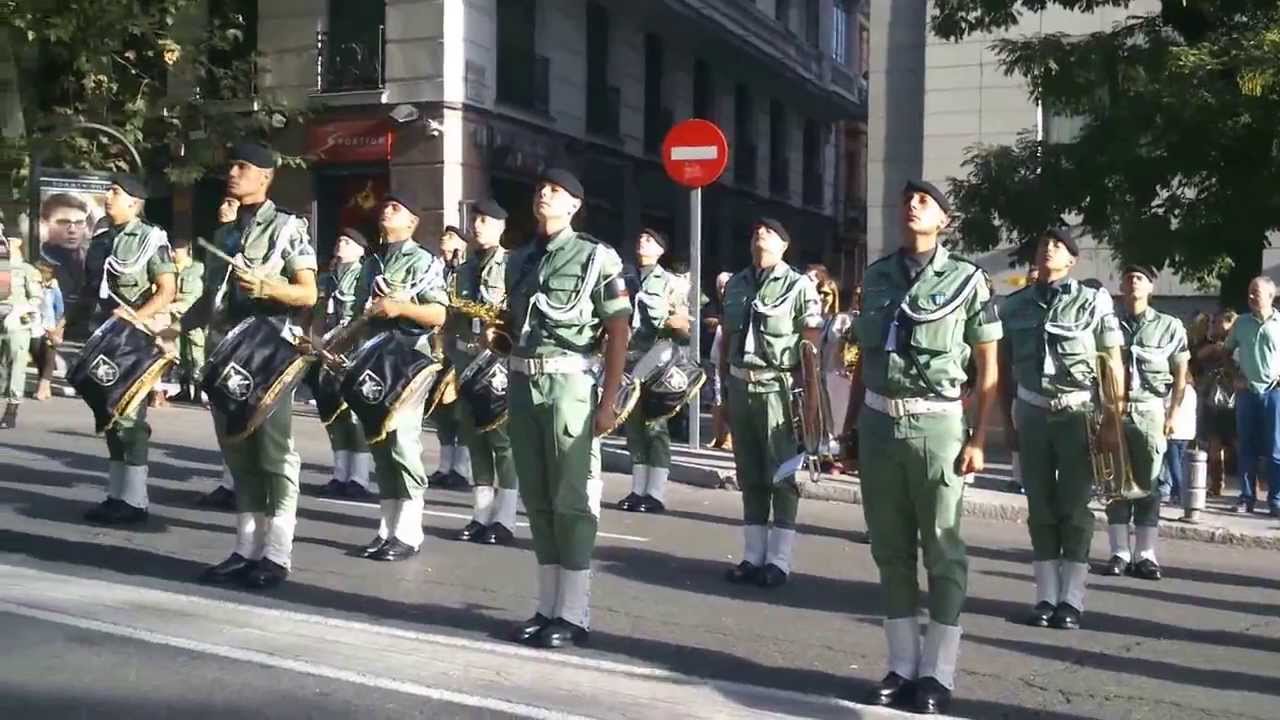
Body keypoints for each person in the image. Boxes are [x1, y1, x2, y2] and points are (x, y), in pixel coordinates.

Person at [849, 181, 1001, 715]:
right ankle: (900, 666)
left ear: (945, 221)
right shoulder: (877, 275)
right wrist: (849, 432)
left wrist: (981, 437)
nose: (911, 205)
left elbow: (987, 366)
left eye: (924, 202)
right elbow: (863, 362)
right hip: (878, 424)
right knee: (889, 550)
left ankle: (937, 673)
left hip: (937, 426)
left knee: (942, 548)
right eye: (907, 199)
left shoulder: (967, 280)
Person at [505, 168, 630, 649]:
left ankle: (574, 613)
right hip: (521, 380)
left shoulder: (596, 257)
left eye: (555, 191)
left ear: (575, 205)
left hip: (569, 384)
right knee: (536, 498)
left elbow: (618, 330)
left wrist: (609, 399)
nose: (544, 194)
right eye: (540, 188)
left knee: (571, 499)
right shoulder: (518, 259)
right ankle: (546, 607)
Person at [196, 143, 318, 590]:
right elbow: (211, 294)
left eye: (243, 166)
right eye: (231, 165)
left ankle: (278, 552)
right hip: (226, 350)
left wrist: (271, 286)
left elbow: (307, 293)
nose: (233, 172)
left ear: (265, 176)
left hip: (268, 350)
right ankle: (245, 548)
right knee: (237, 450)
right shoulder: (225, 231)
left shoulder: (288, 227)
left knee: (273, 454)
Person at [1001, 226, 1124, 631]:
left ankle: (1071, 598)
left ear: (1072, 260)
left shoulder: (1093, 302)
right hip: (1033, 413)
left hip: (1077, 414)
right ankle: (1044, 596)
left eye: (1058, 245)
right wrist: (1008, 420)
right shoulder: (1015, 305)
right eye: (1043, 243)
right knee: (1039, 507)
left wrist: (1112, 419)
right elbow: (1002, 372)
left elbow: (1112, 363)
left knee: (1074, 508)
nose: (1048, 249)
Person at [718, 218, 823, 589]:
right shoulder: (736, 284)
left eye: (770, 232)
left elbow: (810, 348)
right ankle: (752, 556)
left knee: (781, 476)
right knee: (749, 475)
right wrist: (722, 397)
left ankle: (779, 560)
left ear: (784, 245)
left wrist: (810, 404)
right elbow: (725, 343)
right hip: (740, 385)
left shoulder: (799, 287)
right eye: (756, 231)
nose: (760, 235)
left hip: (778, 388)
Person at [348, 195, 449, 561]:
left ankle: (409, 531)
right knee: (379, 442)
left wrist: (400, 307)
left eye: (396, 208)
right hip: (374, 357)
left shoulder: (423, 261)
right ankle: (386, 529)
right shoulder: (371, 261)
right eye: (385, 205)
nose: (386, 209)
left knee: (403, 443)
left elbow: (438, 313)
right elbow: (358, 313)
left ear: (412, 223)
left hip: (407, 358)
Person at [73, 175, 176, 523]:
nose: (107, 196)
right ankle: (116, 495)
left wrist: (135, 318)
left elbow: (166, 289)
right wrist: (64, 322)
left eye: (115, 192)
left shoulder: (151, 237)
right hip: (105, 339)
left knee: (131, 419)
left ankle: (135, 501)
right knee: (110, 417)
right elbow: (91, 291)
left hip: (133, 341)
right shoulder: (102, 240)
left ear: (134, 202)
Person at [1101, 265, 1189, 582]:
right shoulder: (1107, 323)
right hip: (1112, 408)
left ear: (1151, 287)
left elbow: (1180, 375)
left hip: (1149, 408)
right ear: (1121, 287)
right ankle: (1119, 551)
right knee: (1115, 482)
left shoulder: (1169, 326)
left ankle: (1146, 554)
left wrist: (1173, 413)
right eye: (1127, 278)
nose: (1133, 282)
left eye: (1140, 278)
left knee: (1149, 483)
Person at [447, 199, 520, 545]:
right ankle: (480, 514)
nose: (478, 225)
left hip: (497, 364)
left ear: (502, 227)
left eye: (487, 220)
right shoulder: (462, 269)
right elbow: (451, 320)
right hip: (465, 363)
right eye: (475, 219)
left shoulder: (512, 265)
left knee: (502, 442)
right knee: (474, 437)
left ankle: (504, 518)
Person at [615, 229, 691, 514]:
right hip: (629, 356)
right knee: (633, 426)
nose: (642, 242)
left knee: (655, 425)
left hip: (657, 358)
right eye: (640, 238)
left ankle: (655, 492)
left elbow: (684, 328)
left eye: (650, 240)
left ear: (661, 250)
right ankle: (637, 489)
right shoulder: (625, 277)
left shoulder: (671, 283)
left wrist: (676, 324)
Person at [313, 228, 374, 501]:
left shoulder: (365, 275)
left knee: (354, 416)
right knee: (332, 415)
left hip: (354, 353)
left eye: (348, 242)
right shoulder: (327, 278)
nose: (341, 243)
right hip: (327, 354)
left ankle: (359, 478)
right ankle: (340, 474)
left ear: (361, 250)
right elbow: (316, 314)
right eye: (339, 239)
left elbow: (365, 318)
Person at [1223, 277, 1280, 516]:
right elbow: (1226, 352)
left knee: (1275, 448)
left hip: (1274, 392)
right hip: (1247, 393)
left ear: (1270, 295)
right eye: (1249, 293)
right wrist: (1234, 376)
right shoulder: (1241, 323)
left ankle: (1276, 499)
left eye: (1256, 293)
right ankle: (1246, 497)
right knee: (1246, 446)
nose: (1251, 297)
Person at [430, 225, 472, 489]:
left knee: (462, 410)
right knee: (440, 410)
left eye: (451, 238)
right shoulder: (435, 270)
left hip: (461, 350)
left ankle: (462, 467)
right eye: (443, 237)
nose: (445, 242)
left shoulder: (466, 272)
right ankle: (445, 465)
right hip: (438, 348)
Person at [1193, 310, 1238, 496]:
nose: (1214, 326)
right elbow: (1199, 356)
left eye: (1218, 322)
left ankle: (1250, 484)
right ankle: (1216, 484)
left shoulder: (1237, 344)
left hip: (1234, 398)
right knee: (1214, 443)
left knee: (1238, 442)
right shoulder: (1210, 344)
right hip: (1213, 398)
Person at [0, 236, 43, 428]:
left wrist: (21, 316)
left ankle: (12, 408)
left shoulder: (26, 271)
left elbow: (36, 299)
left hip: (16, 322)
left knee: (17, 362)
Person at [168, 238, 207, 404]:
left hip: (191, 316)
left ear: (187, 251)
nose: (173, 253)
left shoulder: (198, 269)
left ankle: (198, 392)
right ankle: (184, 390)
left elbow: (195, 296)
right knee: (181, 355)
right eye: (172, 249)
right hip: (175, 318)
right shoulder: (169, 269)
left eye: (177, 250)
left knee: (196, 355)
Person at [38, 193, 93, 305]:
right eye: (63, 222)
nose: (72, 230)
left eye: (79, 223)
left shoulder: (94, 260)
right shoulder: (38, 263)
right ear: (45, 223)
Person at [706, 271, 734, 450]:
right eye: (720, 286)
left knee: (729, 400)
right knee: (716, 401)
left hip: (732, 360)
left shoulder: (736, 304)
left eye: (726, 285)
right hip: (715, 358)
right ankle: (718, 437)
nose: (722, 289)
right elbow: (706, 321)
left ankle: (729, 437)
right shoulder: (712, 305)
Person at [32, 259, 66, 401]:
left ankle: (42, 387)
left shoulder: (53, 288)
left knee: (48, 357)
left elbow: (60, 309)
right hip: (34, 326)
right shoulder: (33, 286)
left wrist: (57, 328)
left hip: (49, 326)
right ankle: (46, 388)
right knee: (37, 355)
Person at [1163, 372, 1197, 503]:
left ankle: (1180, 491)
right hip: (1187, 433)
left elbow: (1166, 406)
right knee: (1181, 462)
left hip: (1174, 432)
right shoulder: (1192, 391)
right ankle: (1175, 493)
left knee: (1174, 464)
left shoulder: (1174, 391)